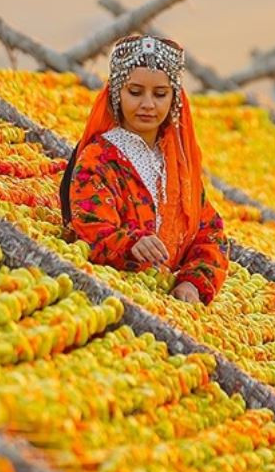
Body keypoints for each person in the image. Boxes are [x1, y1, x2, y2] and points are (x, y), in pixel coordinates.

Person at [59, 34, 229, 304]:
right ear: (117, 93)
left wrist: (192, 282)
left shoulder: (177, 167)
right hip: (112, 299)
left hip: (175, 307)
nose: (148, 104)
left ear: (174, 99)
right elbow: (90, 227)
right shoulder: (98, 159)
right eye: (135, 92)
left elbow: (209, 232)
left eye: (160, 94)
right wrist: (130, 244)